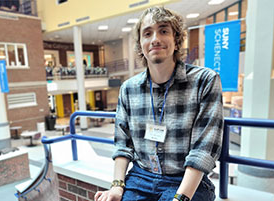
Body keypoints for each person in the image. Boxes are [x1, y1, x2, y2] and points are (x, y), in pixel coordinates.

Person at [94, 6, 223, 201]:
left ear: (176, 40)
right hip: (140, 178)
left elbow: (204, 149)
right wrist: (117, 187)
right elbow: (123, 144)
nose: (155, 39)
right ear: (141, 44)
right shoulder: (128, 89)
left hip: (185, 180)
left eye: (163, 31)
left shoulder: (205, 81)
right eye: (147, 33)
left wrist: (180, 198)